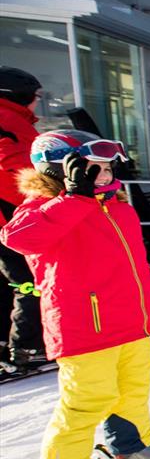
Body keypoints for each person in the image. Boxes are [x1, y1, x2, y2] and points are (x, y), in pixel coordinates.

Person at [1, 130, 150, 459]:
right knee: (88, 398)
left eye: (107, 166)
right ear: (63, 169)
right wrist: (75, 198)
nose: (104, 173)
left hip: (129, 321)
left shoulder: (118, 207)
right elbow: (19, 238)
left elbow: (137, 266)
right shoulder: (42, 208)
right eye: (93, 167)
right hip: (83, 325)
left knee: (132, 388)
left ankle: (130, 445)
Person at [0, 66, 46, 372]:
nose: (38, 103)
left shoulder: (14, 120)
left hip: (8, 217)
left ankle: (8, 345)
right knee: (29, 283)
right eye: (35, 97)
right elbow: (14, 169)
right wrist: (48, 191)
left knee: (9, 283)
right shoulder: (9, 122)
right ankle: (27, 345)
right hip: (11, 219)